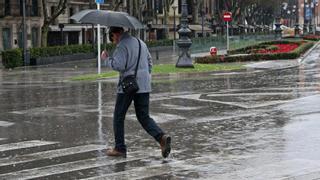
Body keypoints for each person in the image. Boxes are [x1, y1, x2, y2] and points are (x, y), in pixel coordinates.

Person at [101, 26, 171, 158]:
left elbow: (119, 65)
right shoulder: (141, 43)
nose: (113, 40)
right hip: (144, 85)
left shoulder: (122, 45)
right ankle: (161, 137)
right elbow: (150, 62)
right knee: (144, 116)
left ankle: (120, 148)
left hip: (127, 86)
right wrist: (144, 76)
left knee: (118, 116)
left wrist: (106, 59)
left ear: (117, 34)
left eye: (113, 37)